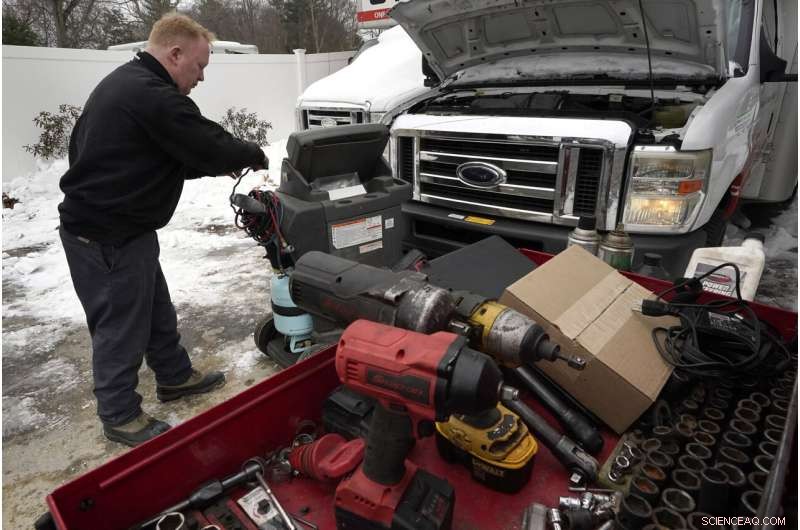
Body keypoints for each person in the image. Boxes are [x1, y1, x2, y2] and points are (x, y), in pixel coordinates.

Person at [58, 13, 267, 447]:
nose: (201, 77)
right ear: (175, 54)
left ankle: (173, 376)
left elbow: (162, 155)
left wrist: (214, 165)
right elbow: (205, 142)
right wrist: (251, 153)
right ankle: (120, 415)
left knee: (155, 309)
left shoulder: (125, 83)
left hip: (123, 229)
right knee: (120, 327)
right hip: (106, 235)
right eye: (200, 66)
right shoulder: (152, 95)